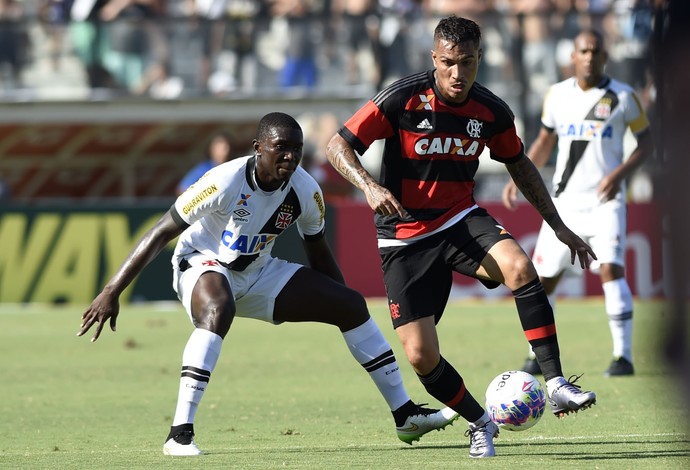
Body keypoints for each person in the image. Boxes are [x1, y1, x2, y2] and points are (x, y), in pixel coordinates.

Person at [77, 112, 459, 456]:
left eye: (296, 149)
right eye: (281, 149)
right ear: (258, 149)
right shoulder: (223, 181)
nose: (290, 157)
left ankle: (405, 415)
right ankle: (179, 434)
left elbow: (318, 252)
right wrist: (112, 291)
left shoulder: (306, 191)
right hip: (200, 264)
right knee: (217, 308)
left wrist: (339, 301)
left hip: (258, 273)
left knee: (353, 306)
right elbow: (161, 232)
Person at [325, 16, 597, 459]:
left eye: (467, 62)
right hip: (404, 235)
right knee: (419, 355)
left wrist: (558, 225)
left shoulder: (491, 111)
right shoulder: (402, 98)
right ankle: (480, 422)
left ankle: (558, 384)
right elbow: (338, 145)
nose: (458, 73)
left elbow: (520, 163)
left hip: (459, 219)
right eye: (449, 62)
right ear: (435, 58)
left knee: (520, 266)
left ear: (479, 60)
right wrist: (370, 186)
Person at [502, 29, 653, 377]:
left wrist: (619, 174)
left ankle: (623, 357)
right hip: (563, 204)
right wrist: (518, 177)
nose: (589, 56)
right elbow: (543, 140)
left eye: (595, 51)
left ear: (605, 56)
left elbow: (647, 143)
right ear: (573, 56)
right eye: (583, 50)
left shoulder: (624, 97)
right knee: (543, 280)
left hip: (605, 201)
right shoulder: (556, 95)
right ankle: (535, 355)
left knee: (611, 270)